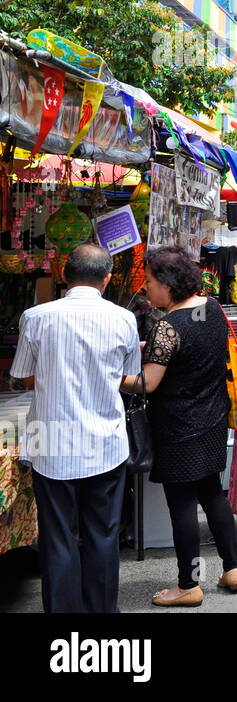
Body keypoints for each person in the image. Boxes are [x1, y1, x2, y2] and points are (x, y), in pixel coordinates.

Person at [10, 244, 140, 613]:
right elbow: (126, 376)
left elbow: (22, 377)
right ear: (107, 279)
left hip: (50, 444)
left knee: (58, 538)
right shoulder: (123, 319)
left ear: (64, 275)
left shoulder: (36, 316)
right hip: (105, 443)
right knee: (102, 535)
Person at [137, 246, 237, 607]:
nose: (146, 288)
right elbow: (192, 350)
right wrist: (151, 347)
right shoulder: (210, 308)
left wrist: (113, 377)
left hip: (179, 429)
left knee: (182, 506)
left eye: (149, 282)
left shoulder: (167, 327)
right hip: (212, 420)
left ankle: (188, 583)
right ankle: (232, 568)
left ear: (167, 284)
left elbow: (148, 382)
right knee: (213, 494)